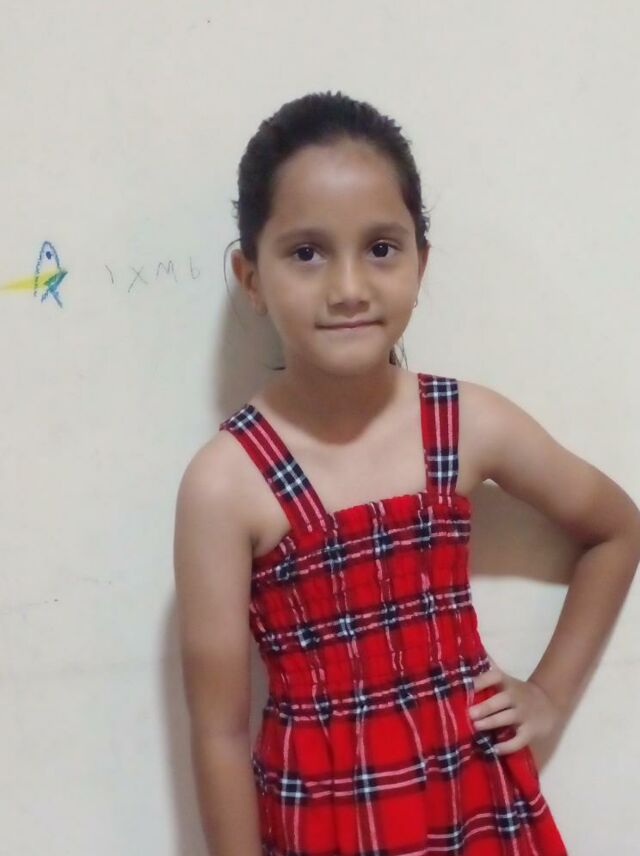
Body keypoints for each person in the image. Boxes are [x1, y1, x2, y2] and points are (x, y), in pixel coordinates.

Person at [173, 91, 640, 856]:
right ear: (249, 277)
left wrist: (549, 695)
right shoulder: (226, 484)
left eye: (382, 248)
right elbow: (218, 731)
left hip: (474, 798)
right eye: (306, 252)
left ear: (421, 261)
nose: (348, 286)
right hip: (323, 823)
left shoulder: (468, 423)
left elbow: (617, 529)